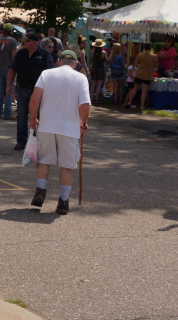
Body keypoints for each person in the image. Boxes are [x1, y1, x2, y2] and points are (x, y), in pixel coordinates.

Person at [27, 50, 90, 215]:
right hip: (69, 128)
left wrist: (33, 118)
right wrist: (83, 122)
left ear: (59, 61)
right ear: (76, 64)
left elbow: (35, 98)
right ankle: (63, 200)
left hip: (47, 125)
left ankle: (40, 190)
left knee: (43, 160)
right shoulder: (80, 77)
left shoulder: (46, 74)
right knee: (66, 166)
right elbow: (85, 105)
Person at [6, 32, 55, 151]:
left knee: (39, 117)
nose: (23, 42)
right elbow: (12, 69)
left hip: (38, 91)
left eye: (25, 41)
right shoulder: (20, 53)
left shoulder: (45, 54)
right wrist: (8, 85)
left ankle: (38, 142)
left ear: (33, 42)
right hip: (22, 88)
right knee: (21, 116)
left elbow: (51, 73)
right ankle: (21, 142)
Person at [0, 24, 17, 119]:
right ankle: (7, 113)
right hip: (9, 69)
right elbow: (13, 56)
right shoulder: (13, 41)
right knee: (9, 91)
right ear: (10, 31)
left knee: (0, 91)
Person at [126, 44, 158, 110]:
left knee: (135, 88)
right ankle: (142, 106)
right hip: (148, 75)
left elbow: (135, 64)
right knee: (144, 91)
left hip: (139, 74)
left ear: (144, 48)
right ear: (151, 48)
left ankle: (129, 102)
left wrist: (141, 67)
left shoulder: (140, 55)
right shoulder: (154, 56)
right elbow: (156, 66)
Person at [89, 39, 107, 103]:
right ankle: (97, 99)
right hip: (101, 69)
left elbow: (91, 59)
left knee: (93, 84)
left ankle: (91, 99)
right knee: (99, 85)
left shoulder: (92, 52)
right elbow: (105, 61)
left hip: (94, 68)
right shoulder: (104, 53)